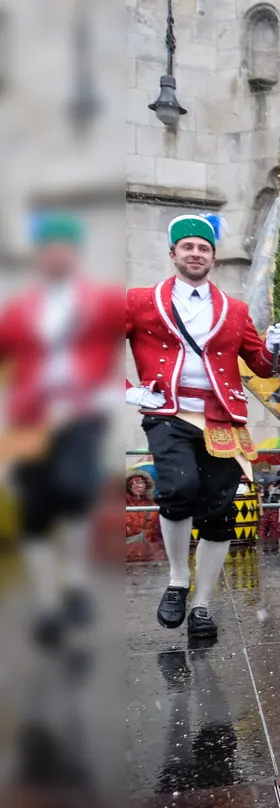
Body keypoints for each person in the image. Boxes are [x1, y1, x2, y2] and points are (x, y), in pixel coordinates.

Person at [126, 213, 280, 640]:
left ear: (213, 257)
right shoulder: (140, 300)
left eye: (203, 248)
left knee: (220, 512)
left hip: (223, 416)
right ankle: (178, 581)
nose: (196, 253)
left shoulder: (234, 310)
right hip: (170, 411)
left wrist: (275, 348)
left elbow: (260, 365)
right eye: (188, 247)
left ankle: (202, 604)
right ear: (173, 254)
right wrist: (128, 391)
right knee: (178, 489)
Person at [0, 213, 122, 640]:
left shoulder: (101, 301)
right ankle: (48, 603)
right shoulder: (20, 308)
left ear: (74, 252)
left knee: (73, 491)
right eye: (49, 247)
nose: (57, 254)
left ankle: (73, 581)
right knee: (35, 509)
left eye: (64, 246)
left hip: (80, 412)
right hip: (30, 418)